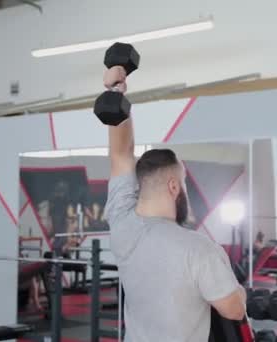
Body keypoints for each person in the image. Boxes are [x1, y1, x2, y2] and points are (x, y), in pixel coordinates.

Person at [102, 65, 245, 342]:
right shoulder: (200, 248)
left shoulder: (122, 225)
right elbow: (234, 310)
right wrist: (240, 291)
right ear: (173, 187)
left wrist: (115, 91)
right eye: (184, 184)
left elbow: (121, 154)